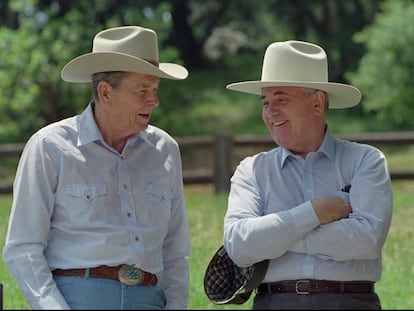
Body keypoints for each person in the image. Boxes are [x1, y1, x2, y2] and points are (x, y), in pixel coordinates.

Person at [3, 25, 191, 309]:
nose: (154, 100)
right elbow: (23, 248)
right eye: (143, 90)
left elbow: (175, 251)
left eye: (155, 89)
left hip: (151, 299)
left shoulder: (165, 149)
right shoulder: (49, 147)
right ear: (105, 92)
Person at [222, 40, 393, 310]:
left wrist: (274, 235)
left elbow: (366, 241)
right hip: (274, 302)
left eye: (281, 99)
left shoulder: (365, 161)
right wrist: (314, 212)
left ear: (317, 103)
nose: (270, 112)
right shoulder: (251, 170)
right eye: (265, 102)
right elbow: (239, 247)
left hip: (350, 302)